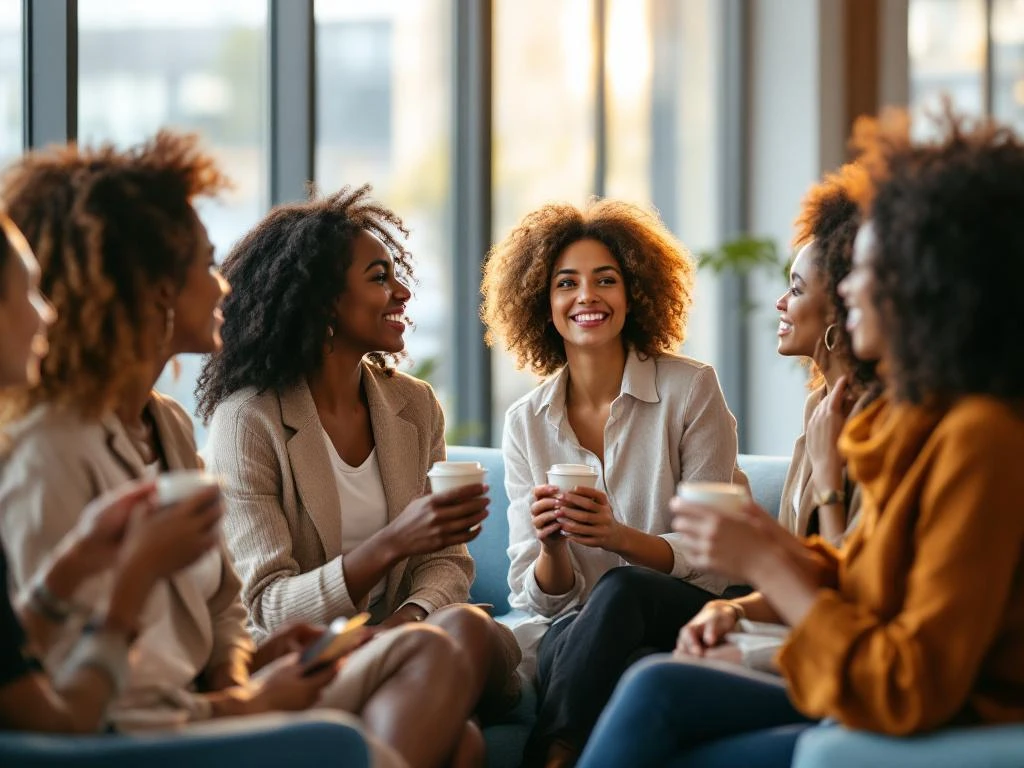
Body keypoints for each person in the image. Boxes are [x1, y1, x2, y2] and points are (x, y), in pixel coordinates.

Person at [0, 137, 484, 768]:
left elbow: (222, 611)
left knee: (447, 687)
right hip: (152, 736)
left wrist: (257, 666)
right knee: (444, 715)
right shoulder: (51, 451)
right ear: (154, 291)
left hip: (206, 703)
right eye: (205, 265)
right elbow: (90, 698)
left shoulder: (168, 425)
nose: (225, 283)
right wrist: (246, 706)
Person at [575, 108, 1024, 767]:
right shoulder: (922, 424)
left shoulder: (981, 439)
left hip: (944, 720)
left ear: (927, 287)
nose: (848, 289)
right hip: (887, 693)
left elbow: (909, 683)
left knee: (662, 704)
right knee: (655, 684)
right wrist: (757, 575)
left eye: (863, 272)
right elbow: (862, 570)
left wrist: (762, 563)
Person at [197, 186, 522, 756]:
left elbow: (446, 563)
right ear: (323, 301)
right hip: (313, 662)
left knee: (465, 627)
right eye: (378, 278)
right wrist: (392, 544)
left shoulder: (413, 406)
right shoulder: (250, 421)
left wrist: (405, 627)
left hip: (412, 638)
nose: (401, 292)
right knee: (463, 746)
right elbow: (265, 608)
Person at [480, 199, 745, 767]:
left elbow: (714, 558)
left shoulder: (691, 390)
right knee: (602, 651)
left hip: (688, 606)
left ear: (635, 293)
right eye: (565, 283)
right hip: (582, 634)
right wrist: (552, 544)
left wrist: (616, 537)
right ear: (542, 302)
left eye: (606, 280)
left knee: (619, 592)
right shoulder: (526, 421)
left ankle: (550, 755)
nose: (586, 297)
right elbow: (537, 595)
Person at [0, 211, 221, 732]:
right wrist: (132, 583)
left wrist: (74, 561)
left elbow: (11, 670)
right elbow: (56, 725)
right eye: (30, 293)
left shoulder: (170, 422)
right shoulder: (45, 448)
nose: (48, 315)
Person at [775, 163, 879, 546]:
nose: (780, 303)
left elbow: (855, 584)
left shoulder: (882, 418)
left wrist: (827, 476)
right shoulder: (818, 406)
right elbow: (793, 549)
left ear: (839, 308)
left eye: (797, 290)